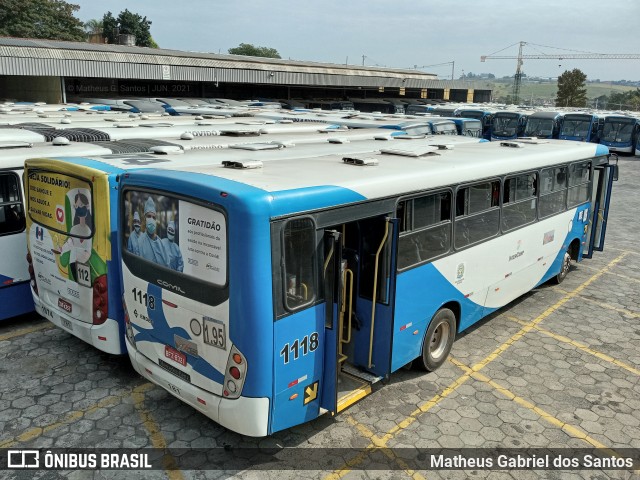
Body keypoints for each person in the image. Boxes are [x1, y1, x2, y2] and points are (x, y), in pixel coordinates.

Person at [60, 191, 92, 283]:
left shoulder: (89, 230)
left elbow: (88, 251)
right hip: (73, 263)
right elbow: (70, 243)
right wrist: (61, 249)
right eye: (77, 206)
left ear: (87, 206)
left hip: (82, 264)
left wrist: (81, 261)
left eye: (81, 205)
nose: (79, 208)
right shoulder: (73, 229)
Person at [136, 196, 169, 267]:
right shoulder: (140, 242)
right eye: (149, 216)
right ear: (145, 219)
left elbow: (167, 265)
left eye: (154, 218)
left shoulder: (161, 243)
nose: (151, 219)